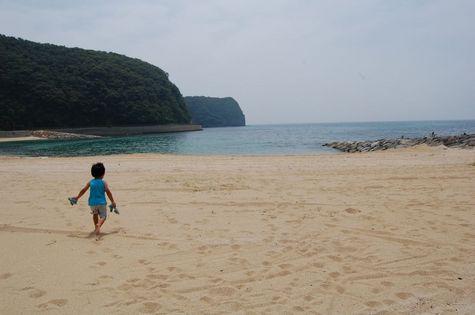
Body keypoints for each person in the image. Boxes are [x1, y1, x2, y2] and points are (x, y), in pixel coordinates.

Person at [72, 162, 117, 239]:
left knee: (95, 214)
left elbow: (83, 190)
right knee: (103, 216)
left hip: (92, 204)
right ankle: (99, 225)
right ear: (103, 174)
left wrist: (77, 197)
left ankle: (96, 228)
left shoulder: (91, 182)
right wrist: (112, 201)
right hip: (102, 203)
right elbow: (108, 192)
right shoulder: (103, 183)